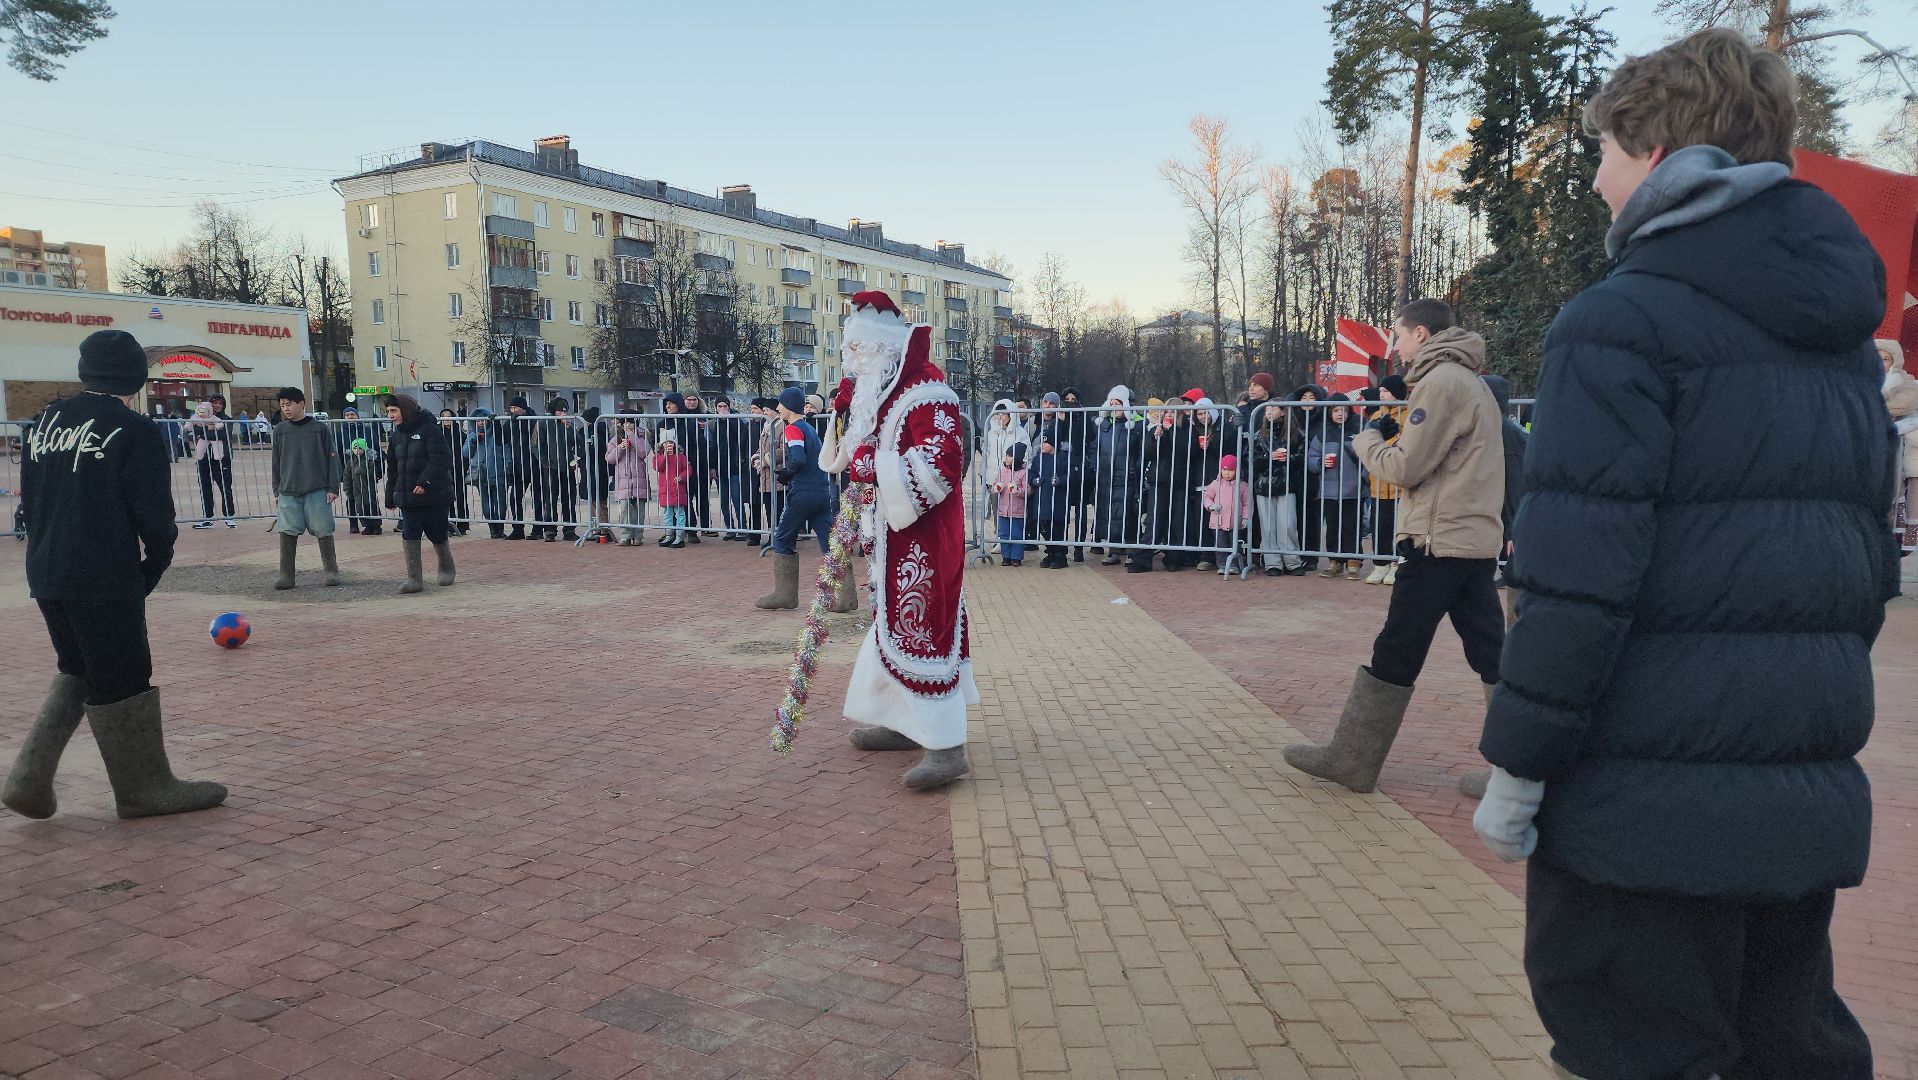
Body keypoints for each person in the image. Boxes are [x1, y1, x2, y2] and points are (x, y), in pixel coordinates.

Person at [1473, 31, 1892, 1080]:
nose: (1598, 183)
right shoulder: (1834, 335)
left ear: (1660, 150)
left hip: (1638, 808)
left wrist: (1519, 763)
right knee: (1783, 1048)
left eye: (1606, 155)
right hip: (1791, 797)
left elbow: (1575, 583)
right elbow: (1857, 572)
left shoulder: (1619, 323)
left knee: (1631, 1048)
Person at [3, 330, 226, 821]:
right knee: (124, 675)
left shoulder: (41, 423)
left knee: (79, 668)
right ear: (135, 378)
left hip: (46, 569)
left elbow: (34, 501)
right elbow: (152, 512)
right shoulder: (133, 428)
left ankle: (29, 776)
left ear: (84, 372)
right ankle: (144, 787)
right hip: (102, 572)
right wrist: (155, 562)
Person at [1281, 299, 1503, 792]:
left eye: (1398, 337)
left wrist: (1367, 441)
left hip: (1437, 539)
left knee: (1398, 648)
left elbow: (1405, 468)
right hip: (1468, 537)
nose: (1395, 348)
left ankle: (1353, 759)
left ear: (1421, 334)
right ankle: (1520, 771)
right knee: (1491, 653)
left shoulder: (1443, 383)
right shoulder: (1472, 382)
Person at [833, 292, 977, 789]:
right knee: (891, 630)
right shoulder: (883, 392)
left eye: (861, 351)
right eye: (849, 350)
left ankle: (946, 747)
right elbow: (857, 451)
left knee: (925, 633)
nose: (852, 360)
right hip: (890, 540)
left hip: (925, 541)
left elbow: (941, 468)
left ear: (886, 349)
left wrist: (872, 466)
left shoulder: (928, 392)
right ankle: (902, 723)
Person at [756, 387, 836, 607]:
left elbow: (798, 459)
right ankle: (843, 596)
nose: (778, 408)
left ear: (788, 406)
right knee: (830, 543)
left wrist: (787, 474)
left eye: (780, 404)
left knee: (782, 537)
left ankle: (786, 595)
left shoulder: (792, 429)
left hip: (803, 492)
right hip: (821, 491)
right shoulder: (809, 428)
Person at [381, 394, 456, 593]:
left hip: (435, 496)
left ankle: (446, 567)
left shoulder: (430, 430)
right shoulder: (396, 436)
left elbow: (441, 459)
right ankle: (414, 579)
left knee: (437, 533)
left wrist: (426, 482)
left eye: (394, 411)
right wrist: (390, 495)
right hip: (408, 497)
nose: (390, 415)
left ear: (405, 410)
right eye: (388, 411)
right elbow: (393, 468)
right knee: (410, 533)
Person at [271, 386, 343, 589]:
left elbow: (332, 458)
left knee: (323, 529)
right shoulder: (280, 431)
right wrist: (277, 490)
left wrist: (333, 487)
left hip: (317, 488)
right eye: (282, 405)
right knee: (287, 531)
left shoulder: (319, 429)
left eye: (289, 404)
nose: (285, 408)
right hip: (288, 491)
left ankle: (331, 570)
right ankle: (286, 575)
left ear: (301, 404)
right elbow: (276, 463)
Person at [1361, 377, 1409, 584]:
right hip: (1378, 481)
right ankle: (1381, 564)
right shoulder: (1376, 415)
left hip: (1400, 484)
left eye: (1386, 391)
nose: (1382, 394)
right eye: (1380, 391)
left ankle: (1399, 563)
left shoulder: (1410, 415)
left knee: (1401, 526)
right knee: (1380, 524)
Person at [1249, 401, 1306, 576]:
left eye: (1273, 408)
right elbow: (1251, 459)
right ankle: (1272, 562)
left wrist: (1289, 457)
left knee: (1288, 523)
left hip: (1287, 484)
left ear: (1283, 412)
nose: (1268, 411)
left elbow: (1302, 457)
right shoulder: (1259, 435)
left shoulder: (1296, 435)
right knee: (1267, 525)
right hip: (1264, 484)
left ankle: (1292, 561)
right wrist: (1269, 457)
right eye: (1266, 408)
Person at [1088, 386, 1142, 566]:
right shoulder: (1104, 425)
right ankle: (1114, 550)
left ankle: (1133, 550)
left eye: (1117, 403)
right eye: (1111, 403)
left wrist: (1136, 469)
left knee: (1128, 513)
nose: (1114, 407)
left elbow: (1141, 451)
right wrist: (1095, 464)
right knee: (1111, 514)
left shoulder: (1136, 425)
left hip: (1127, 476)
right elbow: (1094, 447)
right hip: (1106, 477)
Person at [1881, 339, 1918, 553]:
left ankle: (1906, 535)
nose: (1881, 364)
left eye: (1886, 359)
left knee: (1903, 490)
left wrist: (1874, 407)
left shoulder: (1904, 382)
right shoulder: (1865, 381)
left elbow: (1903, 404)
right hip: (1877, 446)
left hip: (1903, 447)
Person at [186, 401, 237, 529]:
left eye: (220, 403)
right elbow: (195, 430)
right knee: (205, 488)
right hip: (204, 459)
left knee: (225, 488)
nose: (217, 405)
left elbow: (222, 434)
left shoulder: (226, 420)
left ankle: (229, 517)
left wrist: (204, 431)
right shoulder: (200, 416)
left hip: (221, 459)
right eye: (214, 403)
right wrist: (207, 429)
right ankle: (208, 518)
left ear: (223, 405)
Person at [1199, 454, 1251, 573]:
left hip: (1235, 522)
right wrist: (1211, 506)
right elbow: (1207, 496)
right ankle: (1222, 565)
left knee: (1235, 545)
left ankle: (1235, 565)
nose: (1227, 473)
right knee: (1220, 545)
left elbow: (1247, 503)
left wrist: (1245, 518)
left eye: (1231, 470)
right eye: (1224, 470)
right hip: (1218, 522)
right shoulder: (1215, 484)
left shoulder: (1243, 486)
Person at [540, 399, 582, 543]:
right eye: (560, 411)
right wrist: (545, 462)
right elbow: (535, 445)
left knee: (569, 498)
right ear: (554, 411)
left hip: (567, 467)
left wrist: (570, 428)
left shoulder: (568, 425)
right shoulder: (544, 423)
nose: (563, 413)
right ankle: (550, 530)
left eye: (565, 411)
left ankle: (569, 529)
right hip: (551, 468)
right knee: (550, 499)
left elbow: (577, 442)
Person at [1028, 423, 1070, 569]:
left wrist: (1061, 481)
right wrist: (1034, 480)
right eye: (1043, 442)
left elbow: (1070, 475)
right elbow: (1032, 473)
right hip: (1042, 499)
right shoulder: (1039, 457)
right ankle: (1050, 552)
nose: (1043, 444)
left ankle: (1060, 555)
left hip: (1056, 500)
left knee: (1057, 528)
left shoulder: (1063, 457)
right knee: (1044, 527)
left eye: (1046, 442)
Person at [464, 408, 509, 539]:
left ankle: (500, 526)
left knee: (500, 502)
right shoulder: (473, 435)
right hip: (481, 474)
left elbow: (506, 449)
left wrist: (508, 464)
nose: (481, 423)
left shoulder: (498, 433)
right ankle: (492, 528)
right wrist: (474, 440)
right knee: (486, 502)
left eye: (483, 419)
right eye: (478, 420)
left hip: (498, 472)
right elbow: (465, 453)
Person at [606, 418, 652, 545]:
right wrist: (620, 448)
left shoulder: (642, 438)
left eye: (631, 422)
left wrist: (632, 436)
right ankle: (625, 536)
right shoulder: (615, 439)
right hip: (623, 481)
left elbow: (643, 452)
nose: (629, 425)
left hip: (639, 480)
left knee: (639, 509)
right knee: (625, 508)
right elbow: (609, 458)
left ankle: (638, 536)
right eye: (626, 422)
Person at [501, 396, 538, 540]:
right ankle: (518, 528)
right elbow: (501, 439)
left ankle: (538, 528)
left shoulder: (533, 419)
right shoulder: (509, 423)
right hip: (518, 466)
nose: (513, 411)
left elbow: (530, 432)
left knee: (538, 499)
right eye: (511, 408)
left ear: (523, 408)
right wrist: (493, 424)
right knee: (514, 498)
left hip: (535, 465)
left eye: (515, 408)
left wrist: (519, 424)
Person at [992, 442, 1030, 566]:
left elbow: (1028, 490)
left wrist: (1017, 491)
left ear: (1016, 457)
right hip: (1003, 510)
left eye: (1009, 456)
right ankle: (1006, 557)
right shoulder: (1003, 471)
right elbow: (994, 486)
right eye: (1006, 456)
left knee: (1016, 534)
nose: (1006, 458)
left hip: (1017, 511)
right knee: (1003, 534)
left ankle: (1016, 557)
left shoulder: (1024, 472)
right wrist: (996, 488)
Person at [652, 427, 690, 547]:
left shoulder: (681, 456)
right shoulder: (658, 456)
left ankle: (680, 535)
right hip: (665, 490)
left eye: (671, 442)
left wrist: (682, 477)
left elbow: (688, 469)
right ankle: (669, 534)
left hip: (678, 489)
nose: (668, 445)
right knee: (667, 514)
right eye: (666, 443)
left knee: (680, 513)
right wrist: (664, 455)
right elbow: (657, 467)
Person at [440, 408, 472, 536]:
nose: (447, 419)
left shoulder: (460, 433)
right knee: (446, 499)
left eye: (449, 416)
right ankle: (449, 525)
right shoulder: (438, 434)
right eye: (444, 416)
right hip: (443, 471)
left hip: (459, 470)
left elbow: (466, 451)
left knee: (460, 497)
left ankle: (463, 525)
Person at [343, 437, 383, 535]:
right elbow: (346, 476)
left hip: (368, 488)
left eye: (359, 448)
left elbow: (374, 473)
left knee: (372, 505)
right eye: (355, 448)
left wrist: (363, 472)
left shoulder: (369, 460)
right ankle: (367, 525)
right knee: (360, 507)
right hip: (356, 489)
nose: (357, 451)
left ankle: (376, 525)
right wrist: (347, 488)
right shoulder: (351, 462)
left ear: (364, 449)